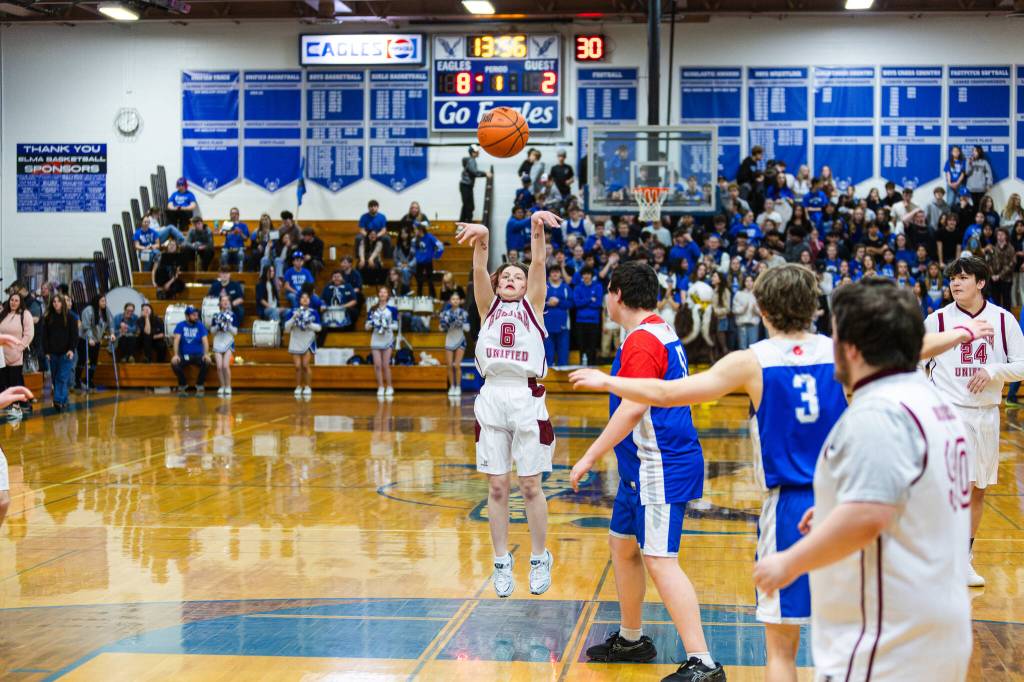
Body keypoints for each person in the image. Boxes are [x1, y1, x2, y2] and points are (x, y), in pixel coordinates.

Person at [569, 266, 989, 682]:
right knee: (857, 629)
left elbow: (668, 393)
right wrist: (962, 334)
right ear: (813, 306)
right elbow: (911, 349)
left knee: (782, 648)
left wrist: (609, 381)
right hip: (839, 500)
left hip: (789, 504)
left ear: (763, 309)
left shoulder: (753, 361)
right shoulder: (841, 354)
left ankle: (706, 660)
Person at [753, 278, 973, 682]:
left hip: (887, 639)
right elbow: (912, 494)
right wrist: (836, 506)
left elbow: (868, 516)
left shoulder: (878, 413)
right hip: (938, 624)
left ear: (851, 349)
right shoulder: (933, 402)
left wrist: (789, 562)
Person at [565, 261, 724, 682]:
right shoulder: (655, 329)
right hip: (642, 466)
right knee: (623, 546)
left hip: (661, 465)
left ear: (616, 294)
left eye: (606, 292)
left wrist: (589, 456)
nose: (604, 300)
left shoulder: (641, 341)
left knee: (660, 559)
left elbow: (634, 408)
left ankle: (703, 661)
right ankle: (632, 639)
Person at [456, 210, 561, 599]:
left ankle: (538, 557)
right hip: (492, 396)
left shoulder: (533, 306)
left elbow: (538, 262)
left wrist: (536, 227)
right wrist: (482, 235)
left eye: (517, 277)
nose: (513, 279)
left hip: (527, 396)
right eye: (506, 277)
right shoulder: (488, 308)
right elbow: (479, 269)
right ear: (498, 286)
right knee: (498, 487)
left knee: (530, 485)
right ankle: (501, 561)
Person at [924, 256, 1024, 587]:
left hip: (986, 413)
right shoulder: (938, 321)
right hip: (949, 412)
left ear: (980, 283)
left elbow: (1022, 365)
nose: (955, 283)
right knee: (955, 488)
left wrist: (993, 370)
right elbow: (912, 356)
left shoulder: (1003, 320)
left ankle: (962, 558)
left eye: (963, 277)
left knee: (977, 490)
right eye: (953, 278)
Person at [40, 295, 77, 413]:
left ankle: (58, 400)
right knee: (56, 378)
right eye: (54, 302)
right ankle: (63, 400)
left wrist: (71, 349)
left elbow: (74, 335)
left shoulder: (71, 317)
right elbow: (44, 337)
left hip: (66, 353)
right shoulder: (47, 317)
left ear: (63, 303)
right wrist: (46, 352)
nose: (56, 304)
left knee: (62, 376)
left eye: (58, 301)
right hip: (52, 353)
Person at [284, 291, 321, 398]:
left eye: (307, 298)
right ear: (299, 300)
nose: (305, 299)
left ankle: (308, 386)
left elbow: (319, 328)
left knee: (305, 365)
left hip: (308, 340)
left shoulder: (313, 312)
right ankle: (298, 386)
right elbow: (286, 328)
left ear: (310, 300)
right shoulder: (292, 311)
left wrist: (309, 324)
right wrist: (293, 318)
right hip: (295, 340)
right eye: (302, 297)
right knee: (297, 366)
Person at [171, 306, 210, 396]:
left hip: (198, 355)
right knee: (174, 363)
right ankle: (183, 383)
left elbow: (205, 341)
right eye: (193, 315)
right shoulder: (180, 325)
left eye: (197, 315)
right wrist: (176, 355)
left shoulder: (200, 325)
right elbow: (176, 340)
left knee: (207, 361)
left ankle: (199, 383)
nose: (196, 317)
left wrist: (206, 354)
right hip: (185, 356)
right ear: (187, 316)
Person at [366, 287, 397, 398]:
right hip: (376, 339)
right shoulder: (372, 309)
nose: (382, 294)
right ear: (378, 294)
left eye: (385, 292)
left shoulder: (392, 309)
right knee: (378, 365)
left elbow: (396, 325)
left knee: (385, 364)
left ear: (388, 295)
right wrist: (372, 324)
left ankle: (389, 386)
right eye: (381, 292)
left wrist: (385, 325)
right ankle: (380, 386)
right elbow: (367, 326)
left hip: (387, 339)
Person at [78, 294, 111, 390]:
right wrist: (90, 338)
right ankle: (77, 380)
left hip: (96, 339)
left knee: (94, 361)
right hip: (85, 339)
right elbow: (86, 326)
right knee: (82, 360)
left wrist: (112, 333)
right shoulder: (88, 310)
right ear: (97, 302)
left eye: (105, 301)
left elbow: (110, 322)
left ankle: (89, 379)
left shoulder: (105, 311)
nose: (104, 303)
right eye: (102, 301)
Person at [439, 292, 470, 397]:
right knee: (449, 365)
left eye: (457, 299)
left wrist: (459, 323)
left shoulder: (463, 313)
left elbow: (467, 328)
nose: (455, 301)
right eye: (453, 299)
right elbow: (441, 328)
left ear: (460, 301)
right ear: (449, 301)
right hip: (449, 340)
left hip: (460, 339)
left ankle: (458, 387)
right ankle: (452, 386)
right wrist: (446, 324)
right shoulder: (445, 313)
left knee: (456, 365)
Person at [573, 267, 603, 366]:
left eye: (588, 274)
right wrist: (590, 299)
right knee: (581, 346)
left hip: (594, 321)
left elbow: (598, 304)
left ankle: (593, 367)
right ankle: (582, 366)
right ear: (582, 276)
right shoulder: (577, 288)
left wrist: (584, 301)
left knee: (592, 347)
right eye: (584, 274)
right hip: (580, 321)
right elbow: (577, 304)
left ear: (591, 276)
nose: (586, 276)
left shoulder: (598, 286)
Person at [543, 265, 572, 367]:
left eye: (557, 272)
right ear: (549, 274)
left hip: (563, 324)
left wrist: (559, 302)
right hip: (547, 324)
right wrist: (547, 304)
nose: (555, 274)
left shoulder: (566, 287)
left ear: (560, 274)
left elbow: (572, 304)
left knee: (563, 353)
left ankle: (563, 379)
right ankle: (547, 378)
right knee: (548, 353)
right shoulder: (544, 286)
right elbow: (536, 304)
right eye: (553, 272)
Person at [210, 293, 238, 397]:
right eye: (223, 300)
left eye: (227, 300)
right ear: (220, 303)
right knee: (219, 367)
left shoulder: (232, 315)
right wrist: (218, 326)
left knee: (226, 366)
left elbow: (235, 332)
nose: (225, 302)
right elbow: (212, 331)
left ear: (229, 303)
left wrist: (228, 325)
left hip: (228, 341)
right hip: (218, 341)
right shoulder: (216, 316)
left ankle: (228, 386)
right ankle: (222, 386)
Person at [459, 144, 491, 222]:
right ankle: (467, 224)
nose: (478, 153)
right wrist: (485, 174)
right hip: (466, 186)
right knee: (469, 206)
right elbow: (474, 172)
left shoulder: (470, 160)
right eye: (477, 152)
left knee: (467, 205)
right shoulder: (471, 160)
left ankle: (462, 223)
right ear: (473, 153)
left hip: (466, 186)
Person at [356, 200, 390, 269]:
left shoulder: (382, 216)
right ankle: (358, 257)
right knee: (358, 238)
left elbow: (384, 230)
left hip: (378, 235)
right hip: (367, 235)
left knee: (387, 238)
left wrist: (376, 236)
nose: (373, 208)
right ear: (368, 208)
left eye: (375, 206)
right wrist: (368, 236)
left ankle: (387, 257)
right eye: (371, 206)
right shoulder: (364, 216)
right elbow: (361, 230)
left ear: (377, 207)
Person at [413, 224, 444, 298]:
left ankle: (433, 297)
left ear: (420, 230)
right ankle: (419, 298)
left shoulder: (429, 237)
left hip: (428, 262)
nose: (415, 231)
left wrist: (437, 255)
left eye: (416, 230)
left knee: (430, 281)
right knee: (419, 282)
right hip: (419, 263)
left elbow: (440, 245)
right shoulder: (415, 239)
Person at [219, 207, 249, 272]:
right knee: (224, 254)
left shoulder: (243, 225)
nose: (234, 215)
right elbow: (221, 233)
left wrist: (240, 233)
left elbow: (246, 238)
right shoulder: (227, 223)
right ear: (230, 215)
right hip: (228, 249)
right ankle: (225, 272)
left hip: (239, 249)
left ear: (238, 215)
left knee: (241, 254)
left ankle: (240, 273)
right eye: (232, 213)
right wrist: (232, 232)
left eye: (236, 213)